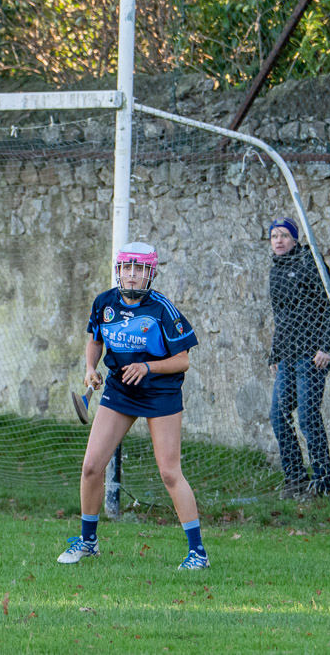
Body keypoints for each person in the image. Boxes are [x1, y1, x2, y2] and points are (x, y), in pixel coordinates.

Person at [58, 242, 207, 570]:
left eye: (140, 270)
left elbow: (183, 361)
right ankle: (88, 541)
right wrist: (90, 369)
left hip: (160, 393)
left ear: (150, 274)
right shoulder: (104, 303)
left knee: (169, 473)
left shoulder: (162, 309)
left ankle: (197, 552)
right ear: (119, 270)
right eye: (127, 268)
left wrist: (148, 367)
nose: (132, 275)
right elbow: (96, 339)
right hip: (120, 390)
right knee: (91, 467)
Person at [267, 217, 330, 499]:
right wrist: (274, 352)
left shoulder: (311, 263)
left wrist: (327, 346)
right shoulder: (276, 270)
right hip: (286, 356)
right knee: (277, 414)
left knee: (309, 417)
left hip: (311, 356)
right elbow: (281, 317)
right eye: (274, 235)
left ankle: (323, 484)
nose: (278, 240)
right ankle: (295, 479)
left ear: (296, 239)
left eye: (284, 235)